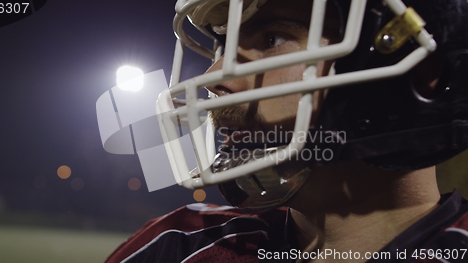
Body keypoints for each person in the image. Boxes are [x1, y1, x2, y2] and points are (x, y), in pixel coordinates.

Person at [105, 0, 468, 262]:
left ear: (416, 75)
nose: (214, 79)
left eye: (271, 38)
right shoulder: (177, 246)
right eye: (225, 44)